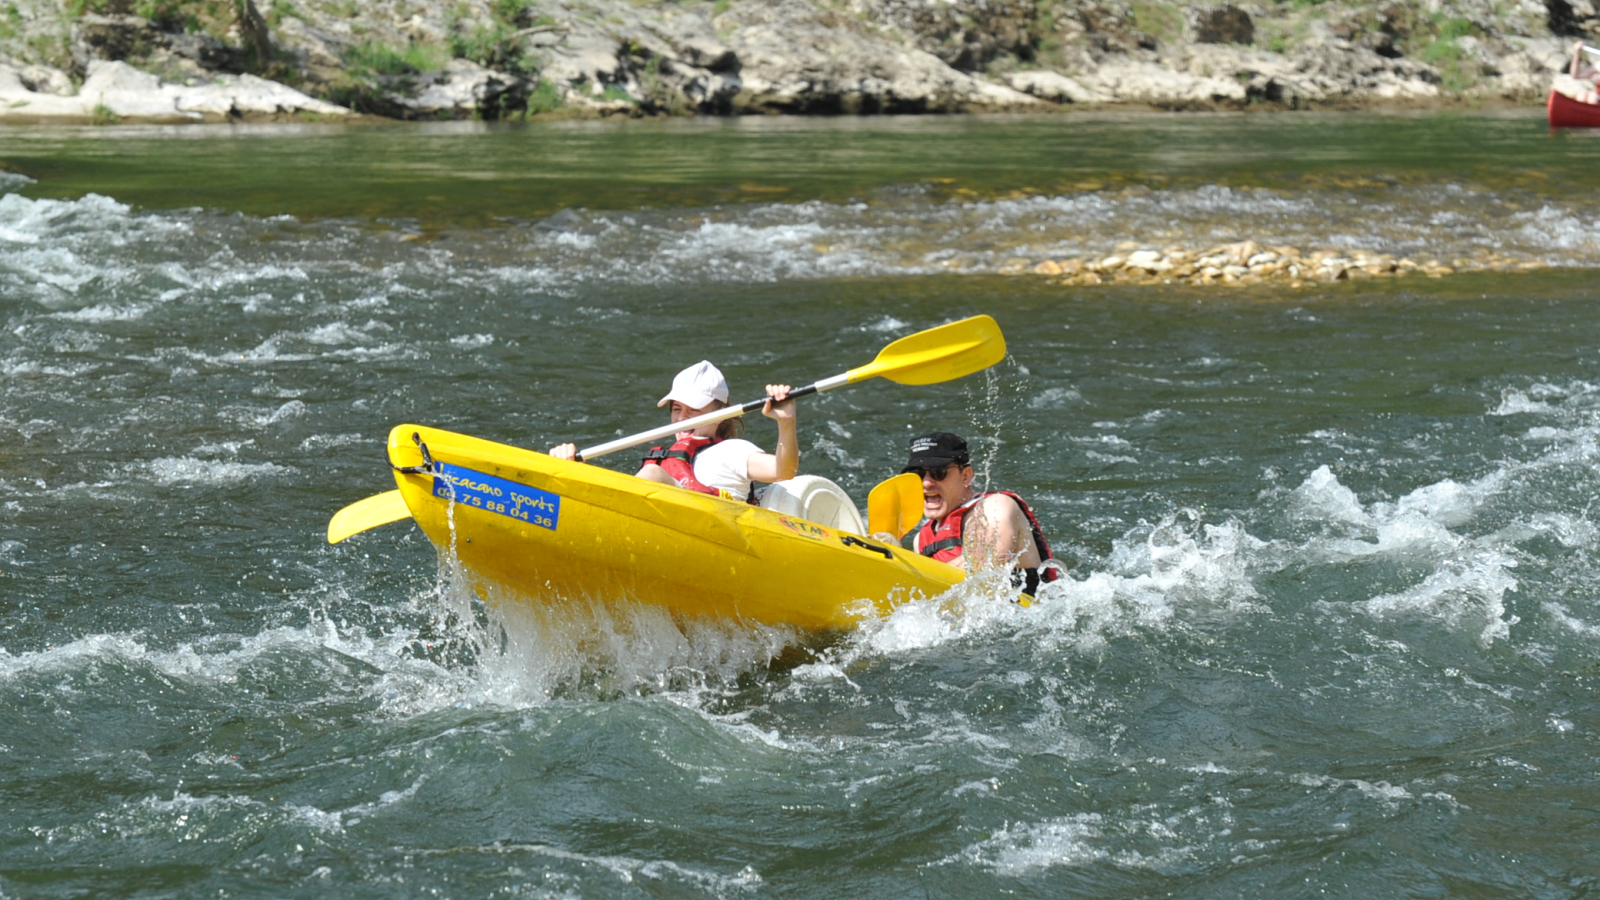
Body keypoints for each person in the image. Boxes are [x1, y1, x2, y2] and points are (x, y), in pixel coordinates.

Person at [550, 360, 797, 501]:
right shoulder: (668, 456)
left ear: (722, 414)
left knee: (653, 474)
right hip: (663, 530)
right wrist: (571, 469)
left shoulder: (733, 450)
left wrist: (786, 423)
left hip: (714, 537)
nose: (682, 418)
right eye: (677, 408)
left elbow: (782, 471)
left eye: (695, 409)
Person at [901, 431, 1059, 601]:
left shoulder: (996, 506)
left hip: (1031, 618)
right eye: (918, 474)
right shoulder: (921, 540)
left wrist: (913, 578)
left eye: (938, 472)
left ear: (966, 476)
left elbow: (988, 567)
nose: (926, 482)